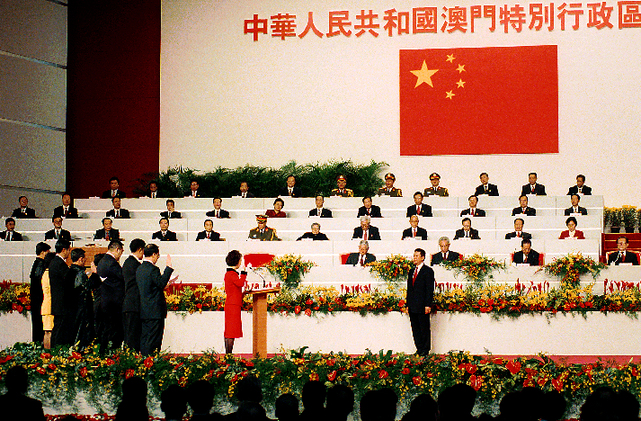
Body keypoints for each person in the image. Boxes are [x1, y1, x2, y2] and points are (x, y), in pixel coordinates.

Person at [137, 243, 174, 355]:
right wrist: (168, 268)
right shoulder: (153, 269)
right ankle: (151, 363)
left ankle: (144, 363)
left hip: (144, 309)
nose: (157, 258)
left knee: (145, 338)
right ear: (153, 254)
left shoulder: (139, 268)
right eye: (157, 256)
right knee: (154, 340)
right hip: (154, 310)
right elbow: (161, 283)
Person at [406, 248, 434, 356]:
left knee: (424, 328)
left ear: (422, 257)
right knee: (415, 328)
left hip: (422, 305)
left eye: (417, 256)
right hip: (413, 305)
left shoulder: (428, 271)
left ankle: (425, 350)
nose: (414, 258)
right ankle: (419, 348)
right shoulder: (411, 271)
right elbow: (409, 289)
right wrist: (408, 304)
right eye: (414, 256)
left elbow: (429, 289)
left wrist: (428, 304)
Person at [97, 240, 125, 349]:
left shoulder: (102, 261)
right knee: (114, 331)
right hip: (114, 303)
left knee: (106, 329)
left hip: (105, 301)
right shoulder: (112, 263)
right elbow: (123, 278)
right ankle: (112, 354)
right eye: (121, 252)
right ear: (117, 249)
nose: (120, 255)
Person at [68, 248, 97, 349]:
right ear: (80, 259)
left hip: (72, 307)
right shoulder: (79, 273)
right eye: (84, 259)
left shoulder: (69, 271)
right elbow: (87, 287)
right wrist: (94, 274)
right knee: (80, 334)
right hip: (81, 309)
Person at [122, 238, 146, 352]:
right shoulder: (134, 264)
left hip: (131, 304)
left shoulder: (129, 262)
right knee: (132, 336)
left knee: (132, 335)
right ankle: (131, 360)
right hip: (133, 304)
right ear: (140, 250)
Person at [49, 239, 71, 347]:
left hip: (59, 301)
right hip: (62, 302)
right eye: (68, 250)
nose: (69, 253)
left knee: (59, 327)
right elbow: (68, 280)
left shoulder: (55, 262)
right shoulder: (59, 263)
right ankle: (55, 350)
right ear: (64, 250)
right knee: (59, 329)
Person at [223, 250, 247, 354]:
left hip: (232, 304)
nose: (241, 263)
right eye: (240, 261)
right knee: (231, 331)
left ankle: (229, 354)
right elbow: (240, 283)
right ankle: (229, 355)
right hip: (233, 305)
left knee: (230, 330)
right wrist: (244, 273)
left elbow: (235, 289)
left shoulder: (230, 274)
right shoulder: (231, 274)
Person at [30, 242, 51, 343]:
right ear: (43, 252)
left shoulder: (36, 263)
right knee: (40, 326)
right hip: (40, 299)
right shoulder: (41, 264)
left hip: (35, 299)